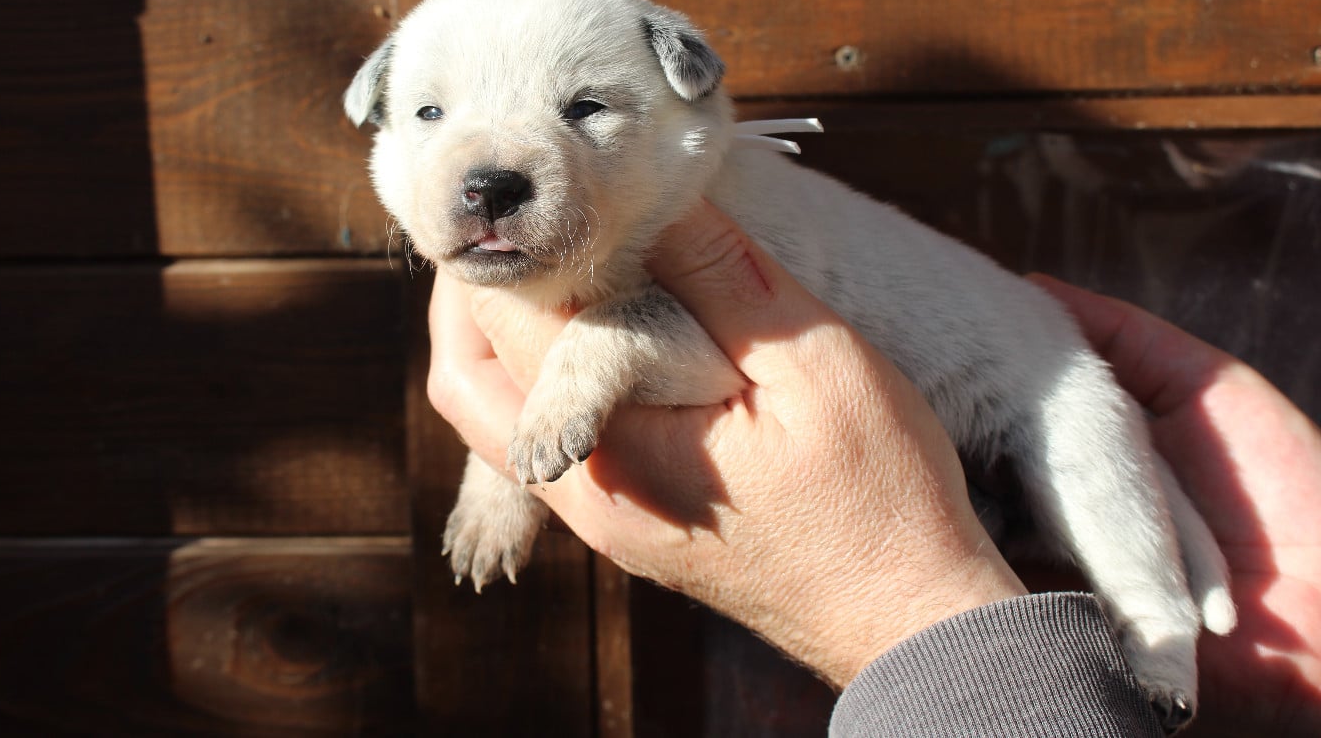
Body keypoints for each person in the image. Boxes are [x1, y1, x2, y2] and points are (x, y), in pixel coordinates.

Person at [427, 200, 1321, 737]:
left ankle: (1167, 649)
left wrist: (894, 601)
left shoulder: (704, 211)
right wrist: (500, 465)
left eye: (587, 107)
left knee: (1087, 452)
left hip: (1006, 383)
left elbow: (689, 351)